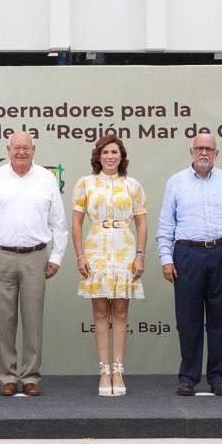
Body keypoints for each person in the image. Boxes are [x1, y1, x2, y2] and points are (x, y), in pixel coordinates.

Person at [157, 132, 222, 396]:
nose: (204, 153)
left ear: (216, 153)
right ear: (191, 152)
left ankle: (218, 377)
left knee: (221, 319)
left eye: (209, 149)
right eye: (199, 148)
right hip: (187, 254)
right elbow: (166, 224)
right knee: (188, 319)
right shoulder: (176, 182)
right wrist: (166, 258)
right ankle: (188, 377)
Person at [0, 130, 67, 397]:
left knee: (33, 320)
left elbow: (58, 222)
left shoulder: (47, 179)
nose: (21, 152)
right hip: (0, 256)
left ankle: (30, 377)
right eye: (16, 148)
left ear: (34, 150)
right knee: (3, 320)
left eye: (26, 147)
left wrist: (56, 256)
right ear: (8, 150)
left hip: (36, 257)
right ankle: (7, 375)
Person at [70, 133, 146, 396]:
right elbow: (77, 222)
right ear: (98, 157)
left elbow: (142, 222)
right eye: (105, 152)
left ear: (121, 156)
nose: (110, 156)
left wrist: (140, 255)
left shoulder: (133, 185)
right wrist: (80, 255)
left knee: (121, 312)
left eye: (114, 152)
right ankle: (104, 371)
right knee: (101, 312)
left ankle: (118, 370)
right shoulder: (85, 183)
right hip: (96, 248)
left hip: (124, 248)